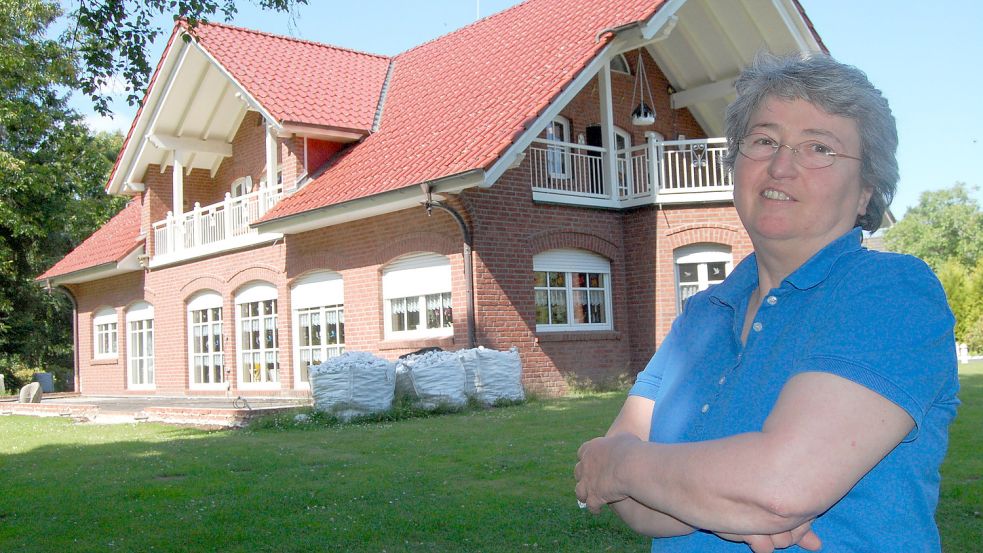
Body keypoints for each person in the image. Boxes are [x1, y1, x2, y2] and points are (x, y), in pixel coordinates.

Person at [574, 52, 959, 553]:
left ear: (866, 190)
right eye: (764, 140)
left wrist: (620, 465)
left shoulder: (891, 294)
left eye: (819, 148)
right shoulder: (702, 316)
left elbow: (777, 490)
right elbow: (640, 510)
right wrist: (722, 496)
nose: (781, 165)